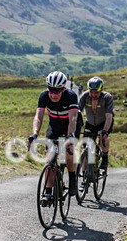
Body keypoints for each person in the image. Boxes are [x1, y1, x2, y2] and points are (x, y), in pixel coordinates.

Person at [28, 71, 80, 205]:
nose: (53, 94)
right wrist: (34, 134)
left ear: (63, 89)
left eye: (57, 91)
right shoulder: (44, 96)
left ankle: (73, 177)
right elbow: (38, 117)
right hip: (54, 126)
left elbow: (73, 118)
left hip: (71, 125)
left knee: (69, 149)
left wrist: (70, 136)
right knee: (50, 158)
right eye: (51, 90)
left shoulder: (71, 96)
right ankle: (48, 191)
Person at [78, 76, 114, 171]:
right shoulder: (85, 96)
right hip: (90, 123)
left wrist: (105, 131)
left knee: (103, 137)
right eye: (91, 92)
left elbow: (109, 116)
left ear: (101, 90)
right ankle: (84, 175)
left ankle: (105, 157)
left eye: (96, 92)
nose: (93, 95)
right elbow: (77, 112)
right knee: (86, 148)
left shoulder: (107, 97)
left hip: (103, 122)